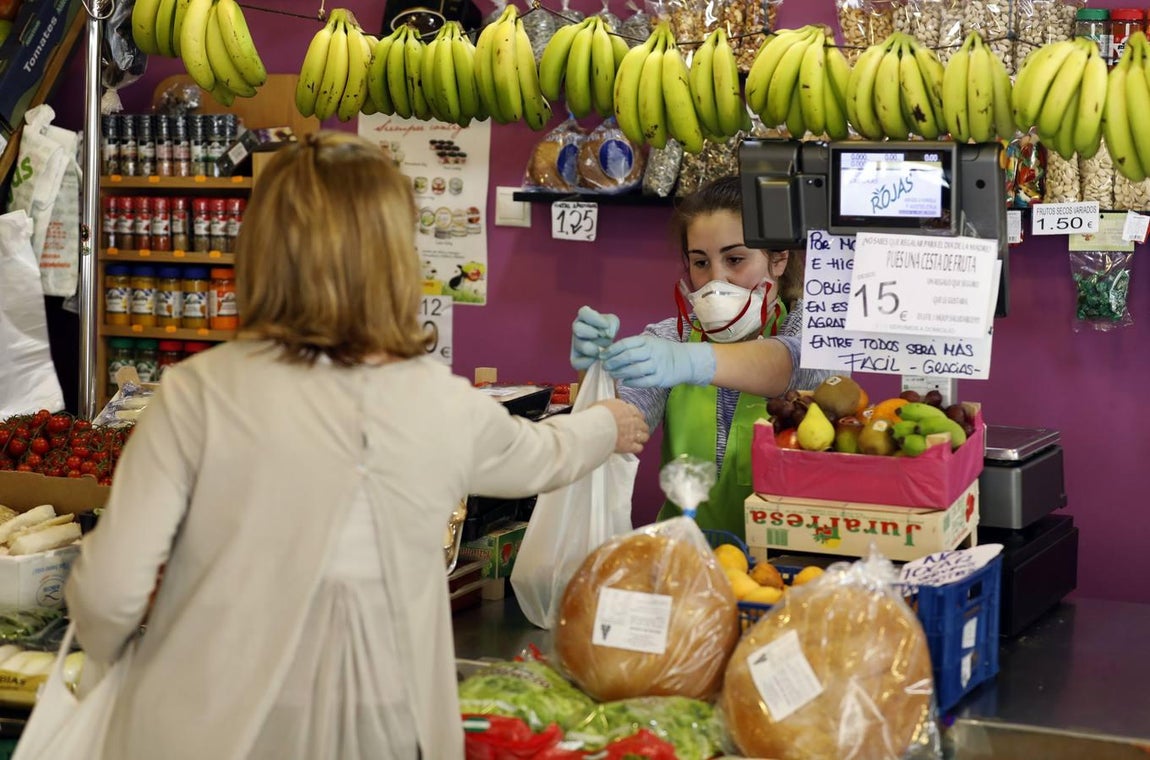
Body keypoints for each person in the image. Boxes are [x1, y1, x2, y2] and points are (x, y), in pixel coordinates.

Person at [62, 132, 649, 760]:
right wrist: (609, 423)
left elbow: (108, 593)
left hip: (206, 729)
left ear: (259, 250)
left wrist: (106, 663)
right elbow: (543, 455)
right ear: (397, 259)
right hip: (385, 730)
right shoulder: (438, 402)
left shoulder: (195, 396)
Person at [570, 176, 832, 538]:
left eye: (735, 259)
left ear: (779, 259)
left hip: (788, 560)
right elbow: (620, 430)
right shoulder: (669, 338)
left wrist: (691, 362)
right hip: (685, 558)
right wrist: (595, 375)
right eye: (700, 263)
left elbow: (786, 366)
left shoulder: (816, 334)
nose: (716, 280)